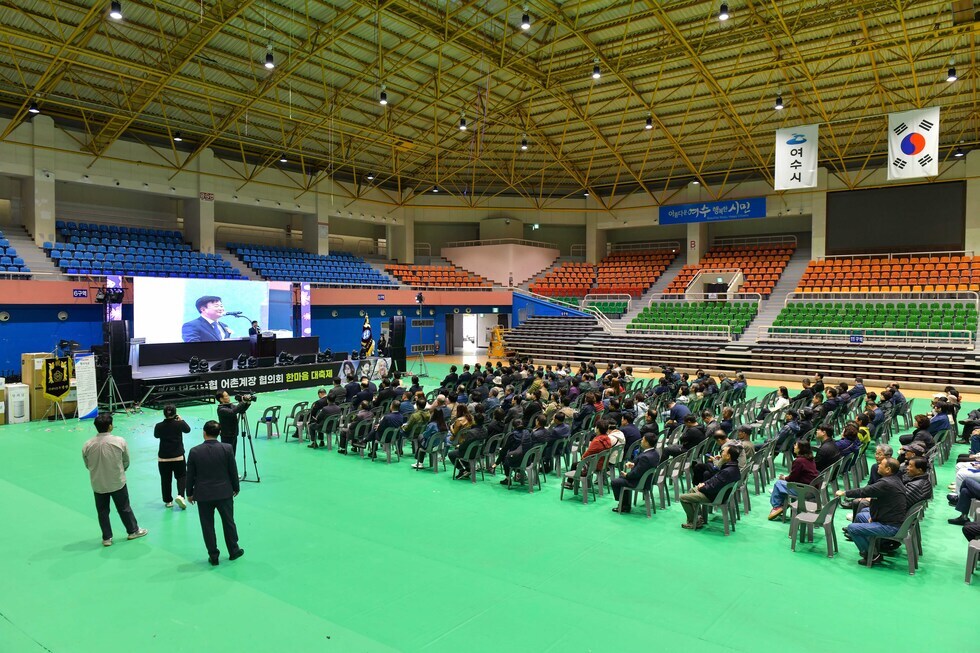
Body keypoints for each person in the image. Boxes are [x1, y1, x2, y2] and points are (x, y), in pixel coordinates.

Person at [82, 413, 148, 547]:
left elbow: (87, 464)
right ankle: (133, 531)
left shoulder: (87, 445)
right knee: (124, 507)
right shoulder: (119, 441)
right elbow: (126, 461)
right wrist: (120, 470)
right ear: (110, 426)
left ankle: (107, 538)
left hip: (98, 483)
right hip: (117, 481)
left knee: (102, 511)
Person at [186, 420, 244, 566]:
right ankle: (233, 550)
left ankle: (213, 555)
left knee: (207, 525)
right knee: (229, 522)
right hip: (224, 493)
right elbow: (233, 470)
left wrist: (189, 492)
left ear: (204, 432)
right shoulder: (227, 448)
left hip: (203, 494)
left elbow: (190, 474)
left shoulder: (194, 451)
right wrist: (236, 487)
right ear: (219, 433)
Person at [837, 457, 907, 566]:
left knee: (852, 528)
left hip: (891, 527)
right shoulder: (895, 480)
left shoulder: (886, 483)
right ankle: (870, 546)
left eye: (881, 464)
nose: (878, 465)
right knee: (861, 516)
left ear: (888, 469)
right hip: (891, 520)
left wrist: (844, 493)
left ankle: (872, 555)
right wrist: (875, 517)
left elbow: (864, 491)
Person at [679, 444, 741, 530]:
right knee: (692, 489)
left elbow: (712, 488)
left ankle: (694, 522)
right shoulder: (733, 467)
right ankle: (698, 518)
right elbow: (715, 480)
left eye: (723, 452)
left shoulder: (727, 471)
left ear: (728, 456)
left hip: (714, 497)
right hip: (719, 494)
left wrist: (702, 487)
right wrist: (704, 484)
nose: (721, 453)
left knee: (683, 498)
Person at [611, 432, 661, 513]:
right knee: (621, 479)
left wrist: (627, 475)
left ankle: (622, 504)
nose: (641, 441)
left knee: (615, 482)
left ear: (647, 443)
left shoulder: (645, 457)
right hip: (648, 479)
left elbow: (636, 473)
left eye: (643, 440)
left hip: (640, 482)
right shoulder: (655, 452)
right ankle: (625, 504)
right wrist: (634, 464)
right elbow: (643, 466)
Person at [767, 441, 818, 520]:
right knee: (782, 485)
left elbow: (792, 479)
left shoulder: (798, 461)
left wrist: (784, 478)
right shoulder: (810, 459)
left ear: (800, 448)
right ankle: (781, 504)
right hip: (812, 490)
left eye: (796, 445)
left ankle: (777, 506)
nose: (794, 446)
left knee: (778, 484)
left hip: (803, 491)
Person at [154, 404, 190, 509]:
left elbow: (156, 435)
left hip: (163, 457)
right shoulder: (179, 424)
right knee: (181, 476)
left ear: (164, 413)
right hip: (178, 456)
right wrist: (181, 420)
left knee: (165, 479)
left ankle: (168, 501)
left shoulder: (159, 426)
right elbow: (187, 430)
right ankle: (180, 496)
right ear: (175, 413)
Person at [215, 390, 251, 455]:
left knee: (233, 454)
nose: (229, 397)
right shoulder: (221, 409)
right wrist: (243, 401)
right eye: (226, 396)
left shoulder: (230, 405)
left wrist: (247, 402)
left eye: (228, 395)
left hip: (234, 433)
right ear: (221, 399)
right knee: (227, 454)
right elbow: (233, 412)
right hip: (227, 435)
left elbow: (241, 410)